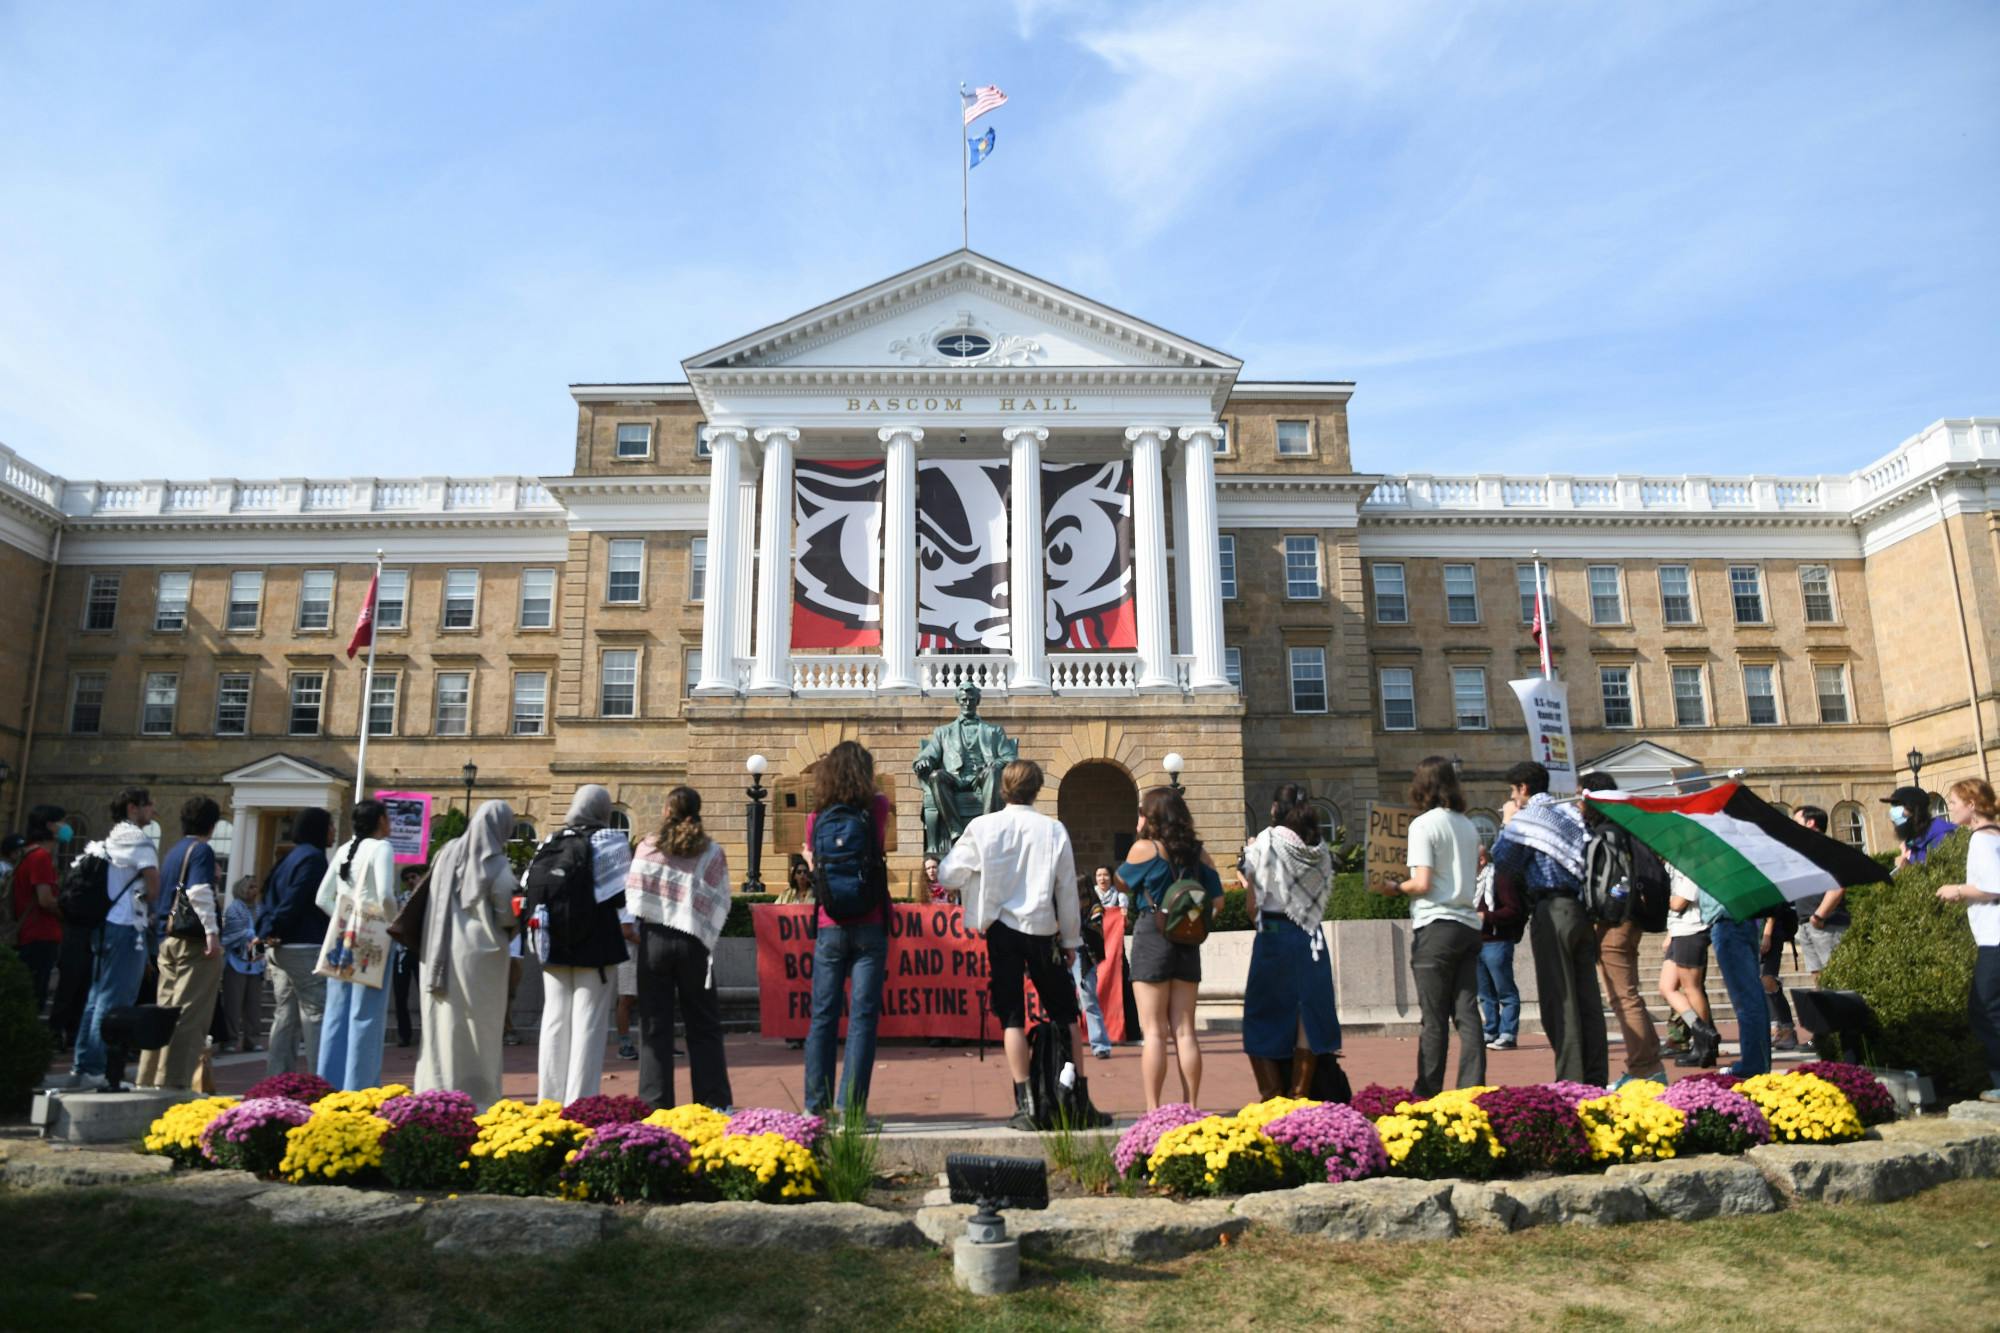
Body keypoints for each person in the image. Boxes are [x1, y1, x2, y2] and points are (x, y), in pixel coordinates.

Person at [937, 760, 1089, 1129]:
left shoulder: (983, 828)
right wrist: (1071, 939)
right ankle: (1077, 1099)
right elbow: (1067, 889)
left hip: (1001, 928)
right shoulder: (1053, 830)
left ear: (1002, 788)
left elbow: (947, 873)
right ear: (1037, 788)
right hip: (1041, 928)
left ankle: (1026, 1103)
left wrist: (978, 877)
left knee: (1011, 1016)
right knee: (1065, 1013)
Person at [1490, 761, 1608, 1087]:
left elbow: (1504, 861)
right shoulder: (1568, 814)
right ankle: (1596, 1076)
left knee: (1560, 998)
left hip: (1552, 910)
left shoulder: (1527, 818)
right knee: (1587, 998)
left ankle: (1571, 1079)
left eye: (1513, 791)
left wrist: (1507, 820)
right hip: (1581, 911)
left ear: (1523, 789)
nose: (1512, 797)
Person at [626, 786, 734, 1110]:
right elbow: (722, 898)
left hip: (655, 939)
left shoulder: (647, 846)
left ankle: (654, 1104)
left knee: (653, 1026)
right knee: (704, 1024)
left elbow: (634, 894)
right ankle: (713, 1102)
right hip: (694, 941)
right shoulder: (711, 851)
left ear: (666, 811)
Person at [1117, 786, 1223, 1112]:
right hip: (1187, 940)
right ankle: (1191, 1105)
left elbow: (1121, 882)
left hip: (1152, 935)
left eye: (1142, 812)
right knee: (1185, 1029)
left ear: (1153, 816)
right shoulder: (1198, 852)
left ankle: (1153, 1109)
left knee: (1153, 1031)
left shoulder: (1145, 849)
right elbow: (1217, 902)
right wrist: (1191, 921)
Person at [1384, 758, 1485, 1098]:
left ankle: (1428, 1091)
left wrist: (1395, 887)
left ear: (1422, 785)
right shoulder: (1468, 826)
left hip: (1436, 926)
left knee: (1434, 1017)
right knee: (1467, 1013)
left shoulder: (1424, 825)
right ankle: (1472, 1088)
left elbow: (1422, 882)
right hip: (1468, 925)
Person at [801, 740, 892, 1116]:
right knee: (862, 1018)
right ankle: (851, 1110)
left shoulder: (816, 817)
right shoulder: (878, 807)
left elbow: (811, 860)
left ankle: (815, 1106)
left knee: (823, 1015)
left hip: (830, 923)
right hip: (870, 922)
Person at [531, 785, 635, 1106]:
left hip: (552, 942)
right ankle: (580, 1101)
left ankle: (548, 1099)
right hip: (596, 944)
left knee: (554, 1020)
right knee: (588, 1022)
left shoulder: (551, 841)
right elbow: (622, 900)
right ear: (603, 810)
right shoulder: (610, 842)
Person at [1239, 783, 1341, 1099]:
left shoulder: (1266, 842)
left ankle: (1272, 1095)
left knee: (1260, 1014)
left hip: (1274, 933)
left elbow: (1252, 904)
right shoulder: (1319, 846)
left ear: (1275, 809)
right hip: (1312, 934)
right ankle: (1300, 1094)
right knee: (1307, 1014)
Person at [416, 799, 518, 1111]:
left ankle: (434, 1089)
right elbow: (506, 912)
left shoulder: (446, 853)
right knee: (479, 1029)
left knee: (443, 1023)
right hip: (481, 957)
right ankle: (478, 1096)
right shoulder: (497, 864)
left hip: (439, 948)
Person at [1578, 772, 1667, 1089]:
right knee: (1630, 996)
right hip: (1631, 920)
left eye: (1581, 796)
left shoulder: (1605, 834)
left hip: (1613, 922)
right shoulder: (1628, 830)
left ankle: (1645, 1069)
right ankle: (1649, 1062)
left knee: (1622, 998)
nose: (1578, 804)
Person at [137, 796, 226, 1090]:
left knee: (164, 1011)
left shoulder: (175, 850)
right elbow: (200, 891)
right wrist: (212, 933)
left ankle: (148, 1077)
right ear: (212, 824)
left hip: (168, 939)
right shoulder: (201, 850)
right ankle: (174, 1083)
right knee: (190, 1016)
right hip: (193, 943)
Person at [315, 800, 399, 1091]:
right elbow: (387, 895)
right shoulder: (382, 848)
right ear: (380, 821)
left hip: (342, 937)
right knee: (365, 1015)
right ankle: (359, 1087)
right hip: (372, 937)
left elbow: (322, 898)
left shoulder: (342, 850)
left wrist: (344, 919)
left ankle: (328, 1083)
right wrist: (393, 925)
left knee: (336, 1013)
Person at [1933, 778, 2000, 1103]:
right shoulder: (1994, 836)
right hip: (1992, 937)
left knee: (1984, 1009)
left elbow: (1995, 886)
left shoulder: (1981, 840)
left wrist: (1956, 889)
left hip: (1995, 938)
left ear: (1972, 805)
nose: (1951, 808)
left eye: (1955, 802)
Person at [259, 807, 333, 1075]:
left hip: (280, 947)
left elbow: (267, 896)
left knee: (286, 1016)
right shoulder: (314, 859)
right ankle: (322, 1078)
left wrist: (266, 928)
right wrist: (277, 925)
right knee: (316, 1014)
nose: (333, 832)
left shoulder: (287, 858)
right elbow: (297, 898)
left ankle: (276, 1080)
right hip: (304, 945)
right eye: (330, 826)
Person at [1693, 865, 1770, 1079]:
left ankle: (1753, 1065)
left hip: (1728, 919)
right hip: (1741, 918)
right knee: (1751, 996)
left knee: (1746, 999)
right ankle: (1758, 1062)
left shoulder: (1712, 847)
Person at [1661, 865, 1717, 1067]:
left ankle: (1704, 1044)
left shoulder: (1691, 866)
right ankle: (1702, 1031)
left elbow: (1678, 903)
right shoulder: (1672, 865)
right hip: (1679, 930)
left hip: (1693, 930)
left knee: (1692, 988)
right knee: (1667, 987)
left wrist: (1656, 899)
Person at [47, 813, 94, 1047]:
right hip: (80, 938)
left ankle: (61, 1033)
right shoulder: (84, 887)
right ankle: (65, 1033)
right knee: (75, 990)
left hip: (73, 937)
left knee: (70, 990)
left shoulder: (74, 881)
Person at [11, 810, 64, 1015]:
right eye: (61, 823)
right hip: (39, 934)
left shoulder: (28, 853)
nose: (64, 828)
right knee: (35, 994)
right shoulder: (40, 857)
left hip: (30, 932)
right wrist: (66, 913)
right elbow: (45, 899)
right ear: (50, 826)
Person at [1791, 806, 1848, 985]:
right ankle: (1826, 1013)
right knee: (1818, 978)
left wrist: (1819, 915)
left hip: (1826, 923)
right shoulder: (1805, 853)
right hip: (1806, 922)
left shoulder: (1826, 849)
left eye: (1796, 822)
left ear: (1810, 822)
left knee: (1836, 976)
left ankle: (1842, 1013)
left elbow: (1838, 886)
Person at [1474, 844, 1521, 1052]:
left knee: (1505, 991)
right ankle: (1491, 1030)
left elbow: (1514, 910)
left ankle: (1508, 1033)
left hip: (1497, 942)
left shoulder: (1500, 878)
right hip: (1475, 943)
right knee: (1485, 993)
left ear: (1482, 860)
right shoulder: (1468, 883)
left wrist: (1487, 917)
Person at [219, 874, 265, 1052]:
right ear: (242, 889)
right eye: (251, 887)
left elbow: (261, 933)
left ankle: (252, 1040)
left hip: (256, 959)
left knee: (253, 1004)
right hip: (236, 960)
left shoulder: (260, 909)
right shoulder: (234, 909)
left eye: (255, 887)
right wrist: (247, 933)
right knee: (233, 1003)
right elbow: (230, 935)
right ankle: (230, 1040)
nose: (254, 890)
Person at [1886, 784, 1957, 870]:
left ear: (1916, 811)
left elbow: (1941, 875)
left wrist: (1908, 870)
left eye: (1898, 806)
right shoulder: (1915, 842)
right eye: (1893, 806)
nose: (1893, 812)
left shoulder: (1942, 836)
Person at [391, 864, 423, 1048]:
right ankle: (404, 1034)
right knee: (400, 996)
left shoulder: (427, 899)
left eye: (414, 877)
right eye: (407, 879)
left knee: (426, 995)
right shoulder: (400, 899)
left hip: (420, 952)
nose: (411, 881)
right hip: (402, 952)